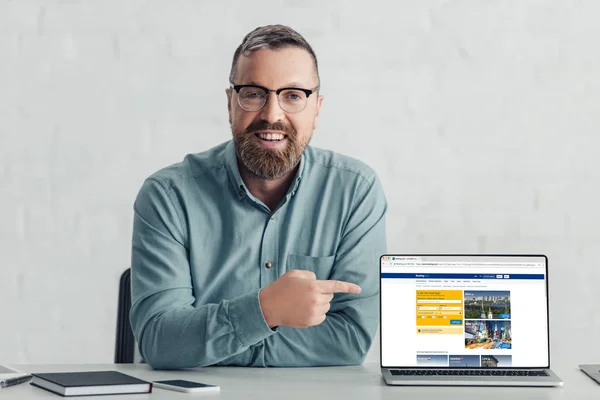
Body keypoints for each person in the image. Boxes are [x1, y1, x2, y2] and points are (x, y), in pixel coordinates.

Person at [129, 24, 387, 369]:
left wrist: (212, 342)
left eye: (293, 95)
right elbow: (160, 342)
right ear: (230, 103)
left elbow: (349, 341)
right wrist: (267, 310)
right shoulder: (167, 196)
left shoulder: (355, 191)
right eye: (253, 93)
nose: (272, 114)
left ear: (317, 109)